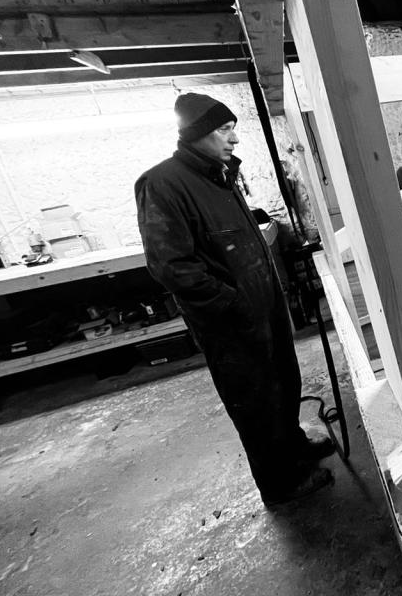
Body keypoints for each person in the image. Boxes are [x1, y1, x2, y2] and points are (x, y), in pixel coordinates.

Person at [135, 93, 333, 507]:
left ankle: (293, 446)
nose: (235, 139)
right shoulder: (163, 183)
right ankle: (280, 484)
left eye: (233, 129)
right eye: (225, 130)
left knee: (283, 382)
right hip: (229, 322)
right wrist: (232, 302)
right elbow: (171, 266)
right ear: (197, 134)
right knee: (255, 401)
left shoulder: (219, 175)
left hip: (263, 307)